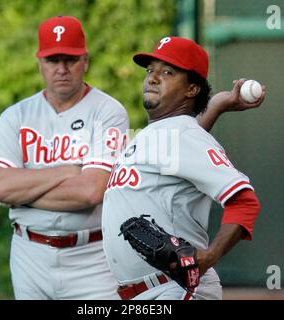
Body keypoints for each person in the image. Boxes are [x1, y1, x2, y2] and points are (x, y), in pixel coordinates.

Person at [101, 36, 264, 300]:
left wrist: (208, 257)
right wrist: (218, 105)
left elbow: (246, 202)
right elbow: (182, 145)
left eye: (167, 72)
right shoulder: (162, 135)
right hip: (148, 291)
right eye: (150, 71)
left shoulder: (183, 136)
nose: (153, 78)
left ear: (191, 89)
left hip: (175, 288)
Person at [0, 16, 129, 300]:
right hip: (29, 254)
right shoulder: (16, 116)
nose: (61, 69)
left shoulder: (108, 112)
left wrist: (20, 192)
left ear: (85, 61)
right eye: (52, 60)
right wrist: (69, 170)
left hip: (92, 259)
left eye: (70, 59)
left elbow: (90, 191)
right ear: (40, 63)